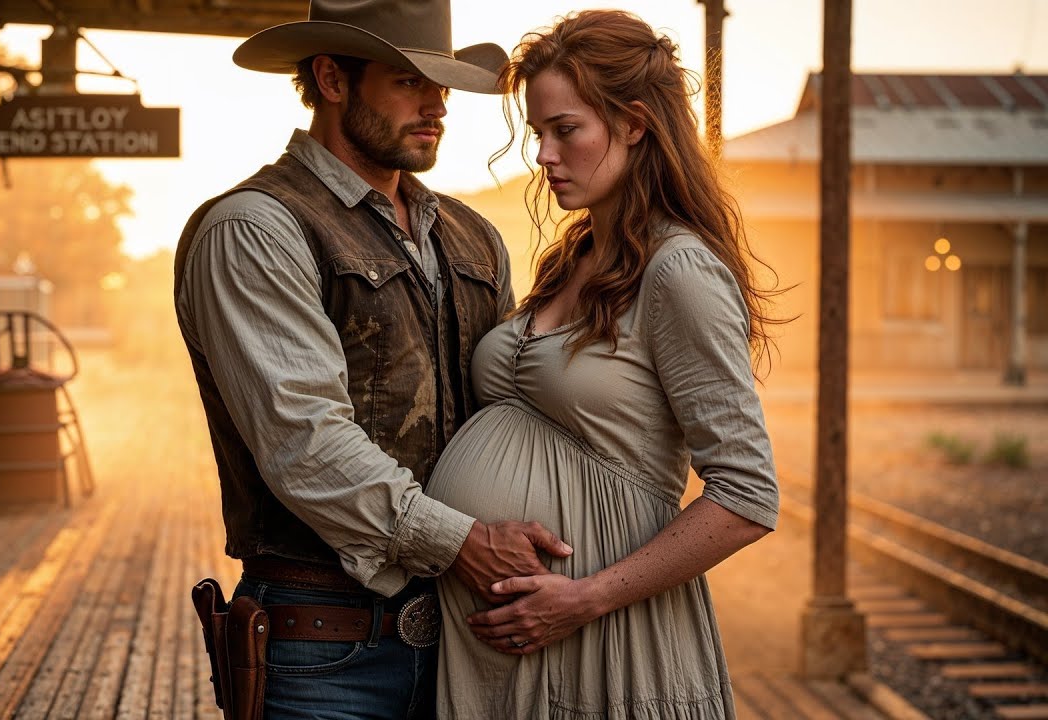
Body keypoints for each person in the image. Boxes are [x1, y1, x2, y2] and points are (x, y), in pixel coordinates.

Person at [173, 1, 573, 717]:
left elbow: (514, 409)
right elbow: (305, 440)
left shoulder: (473, 235)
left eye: (441, 86)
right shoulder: (255, 227)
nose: (436, 106)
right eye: (408, 82)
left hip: (469, 630)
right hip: (323, 649)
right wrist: (464, 544)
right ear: (331, 79)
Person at [425, 9, 783, 719]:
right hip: (513, 652)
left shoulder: (678, 270)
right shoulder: (573, 258)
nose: (544, 155)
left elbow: (747, 495)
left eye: (566, 130)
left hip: (605, 638)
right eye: (539, 133)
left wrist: (583, 598)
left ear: (634, 124)